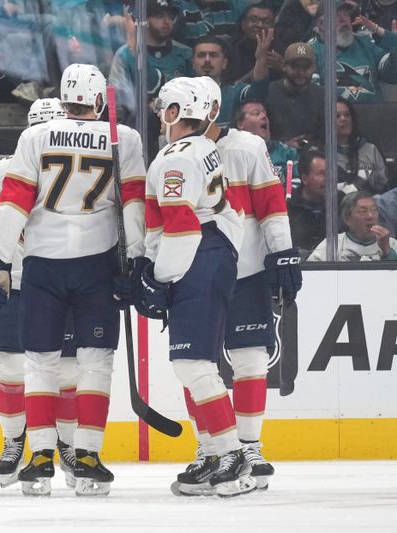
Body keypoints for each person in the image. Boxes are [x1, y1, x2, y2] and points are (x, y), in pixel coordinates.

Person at [0, 63, 147, 497]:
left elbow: (14, 201)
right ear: (97, 100)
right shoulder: (123, 137)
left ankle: (39, 456)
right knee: (94, 360)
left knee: (40, 361)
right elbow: (133, 202)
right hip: (96, 265)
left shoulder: (35, 136)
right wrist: (137, 259)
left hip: (42, 264)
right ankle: (87, 454)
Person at [139, 76, 252, 497]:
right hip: (211, 252)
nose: (158, 116)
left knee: (193, 364)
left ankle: (230, 454)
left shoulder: (175, 157)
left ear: (174, 113)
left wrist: (159, 277)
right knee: (193, 363)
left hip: (197, 254)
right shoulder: (204, 148)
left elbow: (182, 226)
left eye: (162, 108)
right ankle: (211, 452)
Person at [191, 76, 302, 494]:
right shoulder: (173, 151)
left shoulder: (248, 147)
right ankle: (208, 449)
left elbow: (272, 207)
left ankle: (249, 446)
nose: (177, 119)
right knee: (196, 365)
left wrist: (282, 254)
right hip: (195, 272)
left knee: (251, 359)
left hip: (247, 269)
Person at [0, 97, 80, 489]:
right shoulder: (4, 171)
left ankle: (65, 443)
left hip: (64, 277)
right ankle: (15, 440)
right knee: (12, 369)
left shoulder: (81, 162)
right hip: (13, 280)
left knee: (66, 370)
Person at [109, 0, 192, 123]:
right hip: (135, 127)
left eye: (170, 16)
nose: (166, 22)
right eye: (159, 16)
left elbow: (191, 95)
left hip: (176, 125)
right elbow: (116, 98)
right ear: (144, 20)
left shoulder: (185, 52)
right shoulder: (124, 54)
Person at [310, 1, 397, 103]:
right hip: (338, 116)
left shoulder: (365, 42)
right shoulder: (312, 50)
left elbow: (392, 75)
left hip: (375, 114)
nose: (343, 20)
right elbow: (313, 95)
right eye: (336, 16)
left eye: (346, 15)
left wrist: (395, 42)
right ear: (321, 24)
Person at [191, 35, 271, 128]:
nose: (207, 60)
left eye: (213, 55)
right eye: (201, 55)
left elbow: (258, 91)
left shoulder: (235, 92)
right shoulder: (181, 91)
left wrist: (260, 59)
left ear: (224, 63)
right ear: (193, 63)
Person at [265, 41, 324, 148]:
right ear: (284, 66)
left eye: (306, 67)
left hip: (315, 155)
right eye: (295, 66)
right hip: (277, 156)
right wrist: (284, 146)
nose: (300, 72)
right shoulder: (269, 92)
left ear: (314, 68)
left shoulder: (322, 96)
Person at [308, 190, 397, 261]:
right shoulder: (333, 244)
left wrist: (387, 250)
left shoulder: (391, 243)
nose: (370, 216)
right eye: (363, 211)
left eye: (374, 210)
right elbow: (313, 276)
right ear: (347, 219)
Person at [234, 99, 301, 187]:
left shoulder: (287, 152)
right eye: (256, 113)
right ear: (240, 124)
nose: (264, 116)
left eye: (265, 113)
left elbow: (296, 184)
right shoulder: (231, 154)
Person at [287, 148, 339, 257]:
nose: (328, 178)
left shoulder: (341, 203)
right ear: (305, 179)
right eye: (322, 174)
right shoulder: (287, 206)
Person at [335, 98, 389, 194]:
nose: (343, 119)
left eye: (347, 115)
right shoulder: (319, 153)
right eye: (337, 116)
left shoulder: (370, 149)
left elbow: (383, 184)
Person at [229, 2, 280, 83]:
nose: (260, 25)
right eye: (254, 20)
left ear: (272, 27)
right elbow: (229, 90)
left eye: (266, 21)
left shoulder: (279, 49)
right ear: (243, 24)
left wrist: (283, 67)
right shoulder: (230, 50)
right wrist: (259, 66)